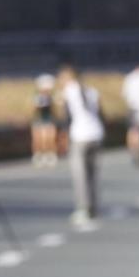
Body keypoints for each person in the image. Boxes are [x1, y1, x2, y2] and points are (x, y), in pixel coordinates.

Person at [59, 64, 104, 225]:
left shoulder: (69, 91)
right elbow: (101, 113)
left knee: (80, 175)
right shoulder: (92, 91)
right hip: (96, 133)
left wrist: (63, 136)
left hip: (80, 135)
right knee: (92, 174)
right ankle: (93, 207)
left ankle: (83, 208)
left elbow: (67, 117)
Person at [30, 73, 57, 166]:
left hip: (48, 119)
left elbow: (54, 110)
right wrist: (38, 105)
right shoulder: (37, 97)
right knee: (38, 139)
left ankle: (50, 155)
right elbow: (34, 110)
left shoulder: (51, 97)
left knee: (50, 138)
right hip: (39, 120)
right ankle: (38, 155)